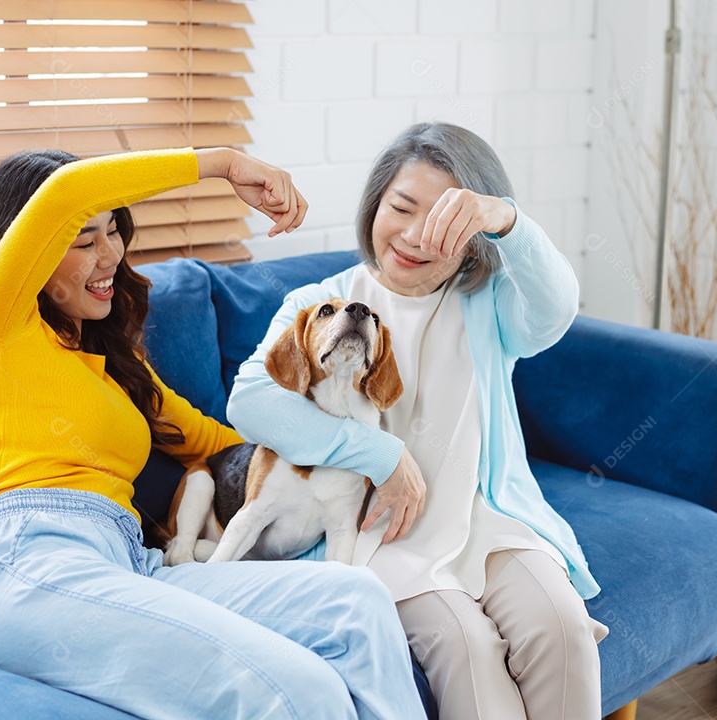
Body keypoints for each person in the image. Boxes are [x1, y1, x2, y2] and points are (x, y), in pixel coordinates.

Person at [0, 146, 427, 720]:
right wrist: (223, 163)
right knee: (299, 690)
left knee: (357, 601)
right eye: (84, 240)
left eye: (114, 232)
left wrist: (372, 452)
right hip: (30, 561)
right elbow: (64, 192)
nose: (111, 255)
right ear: (25, 251)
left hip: (130, 563)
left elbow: (229, 444)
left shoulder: (118, 370)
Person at [228, 123, 608, 720]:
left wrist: (507, 218)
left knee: (561, 629)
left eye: (442, 224)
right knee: (466, 647)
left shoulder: (490, 304)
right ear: (375, 204)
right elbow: (249, 403)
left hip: (487, 518)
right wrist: (381, 456)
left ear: (473, 235)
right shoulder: (321, 303)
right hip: (381, 536)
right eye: (400, 208)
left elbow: (557, 308)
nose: (411, 237)